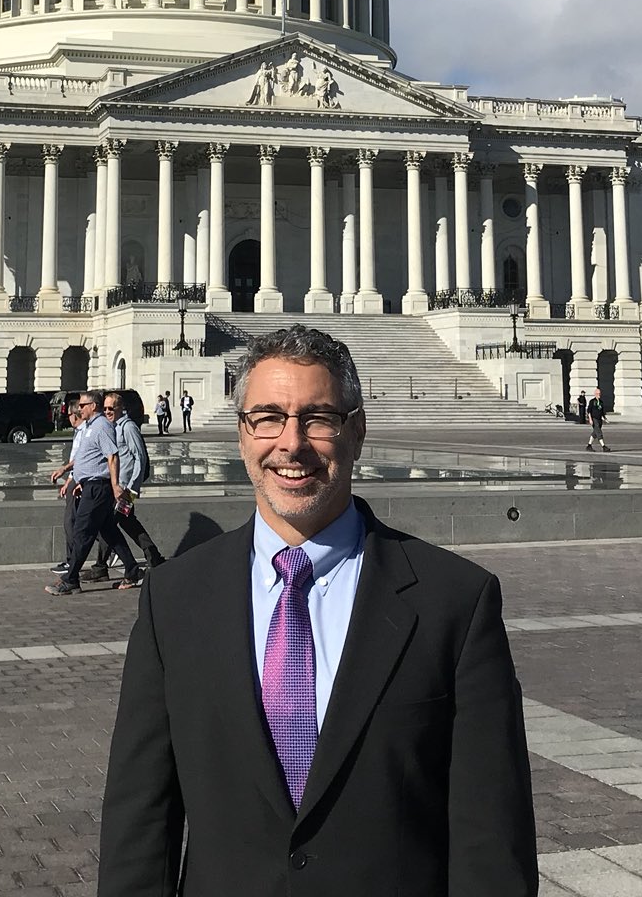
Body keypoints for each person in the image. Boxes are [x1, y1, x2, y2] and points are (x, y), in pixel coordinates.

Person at [99, 324, 536, 895]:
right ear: (242, 434)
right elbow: (141, 820)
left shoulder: (454, 600)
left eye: (319, 418)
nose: (291, 443)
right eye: (268, 417)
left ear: (356, 432)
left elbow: (491, 835)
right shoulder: (175, 599)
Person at [47, 392, 142, 594]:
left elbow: (112, 456)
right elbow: (89, 456)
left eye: (83, 404)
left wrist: (116, 485)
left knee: (82, 531)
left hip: (98, 487)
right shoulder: (91, 427)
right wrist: (70, 472)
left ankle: (71, 579)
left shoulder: (101, 427)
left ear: (93, 406)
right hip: (91, 484)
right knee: (109, 532)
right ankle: (133, 570)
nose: (79, 408)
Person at [106, 390, 166, 581]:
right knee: (127, 523)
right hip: (118, 487)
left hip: (127, 488)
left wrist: (133, 488)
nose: (107, 411)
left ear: (120, 408)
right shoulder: (113, 427)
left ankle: (102, 565)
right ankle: (153, 556)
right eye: (105, 408)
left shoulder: (129, 428)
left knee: (109, 523)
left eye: (111, 408)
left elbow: (139, 458)